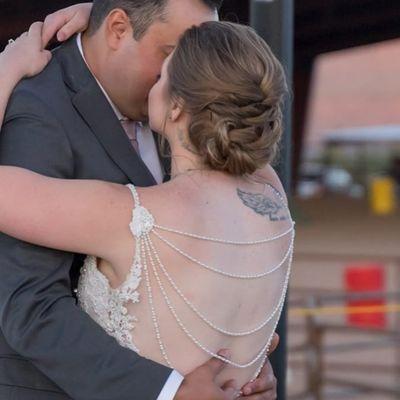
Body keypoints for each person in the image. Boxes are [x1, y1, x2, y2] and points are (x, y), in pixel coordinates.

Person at [0, 3, 290, 400]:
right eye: (171, 52)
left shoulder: (126, 213)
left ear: (177, 105)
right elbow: (30, 305)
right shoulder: (268, 191)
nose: (161, 76)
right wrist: (244, 367)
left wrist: (4, 69)